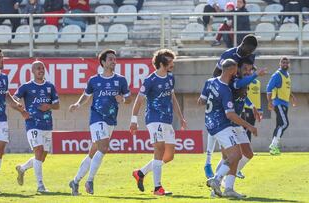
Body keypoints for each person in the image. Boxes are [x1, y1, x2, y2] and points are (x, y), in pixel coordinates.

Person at [68, 49, 131, 195]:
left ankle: (75, 181)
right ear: (103, 62)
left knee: (93, 152)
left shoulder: (120, 80)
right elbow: (86, 95)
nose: (113, 61)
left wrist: (123, 99)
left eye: (115, 59)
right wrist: (78, 104)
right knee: (104, 146)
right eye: (110, 59)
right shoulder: (94, 80)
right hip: (97, 118)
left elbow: (129, 99)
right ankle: (89, 181)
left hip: (111, 120)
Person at [130, 49, 187, 196]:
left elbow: (172, 98)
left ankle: (140, 173)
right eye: (170, 62)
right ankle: (157, 188)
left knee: (169, 156)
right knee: (159, 149)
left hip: (167, 120)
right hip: (154, 119)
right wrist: (134, 120)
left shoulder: (170, 78)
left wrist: (180, 117)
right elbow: (139, 100)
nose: (172, 64)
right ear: (162, 63)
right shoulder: (150, 80)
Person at [198, 59, 257, 198]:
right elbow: (230, 114)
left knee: (236, 155)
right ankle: (217, 180)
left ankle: (227, 187)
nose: (246, 72)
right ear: (233, 70)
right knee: (234, 155)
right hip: (224, 124)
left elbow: (201, 101)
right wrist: (249, 126)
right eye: (240, 69)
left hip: (213, 123)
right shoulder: (228, 87)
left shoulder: (210, 81)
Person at [204, 34, 257, 178]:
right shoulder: (228, 55)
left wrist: (251, 104)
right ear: (242, 44)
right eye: (247, 51)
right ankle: (213, 170)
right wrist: (216, 92)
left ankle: (224, 178)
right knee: (229, 154)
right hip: (226, 104)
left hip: (237, 102)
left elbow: (248, 72)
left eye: (251, 52)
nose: (249, 54)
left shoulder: (250, 58)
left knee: (240, 154)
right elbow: (216, 74)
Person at [14, 60, 60, 193]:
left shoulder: (50, 86)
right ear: (32, 71)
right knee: (38, 151)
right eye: (38, 68)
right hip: (32, 123)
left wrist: (49, 106)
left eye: (42, 68)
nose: (41, 70)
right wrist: (21, 110)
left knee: (42, 156)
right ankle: (40, 186)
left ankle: (22, 168)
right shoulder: (26, 87)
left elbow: (57, 105)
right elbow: (14, 99)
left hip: (47, 125)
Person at [0, 48, 28, 179]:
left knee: (0, 148)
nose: (1, 59)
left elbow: (6, 95)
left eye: (2, 57)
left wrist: (18, 106)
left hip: (1, 118)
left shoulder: (4, 78)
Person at [266, 57, 297, 155]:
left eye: (286, 63)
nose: (285, 64)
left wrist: (292, 97)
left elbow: (286, 89)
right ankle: (273, 145)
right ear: (279, 64)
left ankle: (273, 148)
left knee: (279, 125)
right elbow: (269, 88)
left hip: (285, 103)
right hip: (278, 103)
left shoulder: (287, 75)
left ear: (289, 64)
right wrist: (270, 102)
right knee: (284, 124)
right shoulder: (277, 75)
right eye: (283, 62)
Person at [242, 66, 262, 142]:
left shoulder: (258, 83)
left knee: (250, 129)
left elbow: (258, 97)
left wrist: (259, 109)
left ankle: (248, 149)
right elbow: (244, 96)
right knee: (246, 128)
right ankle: (245, 150)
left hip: (255, 110)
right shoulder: (246, 81)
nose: (251, 72)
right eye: (250, 70)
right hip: (246, 108)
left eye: (253, 70)